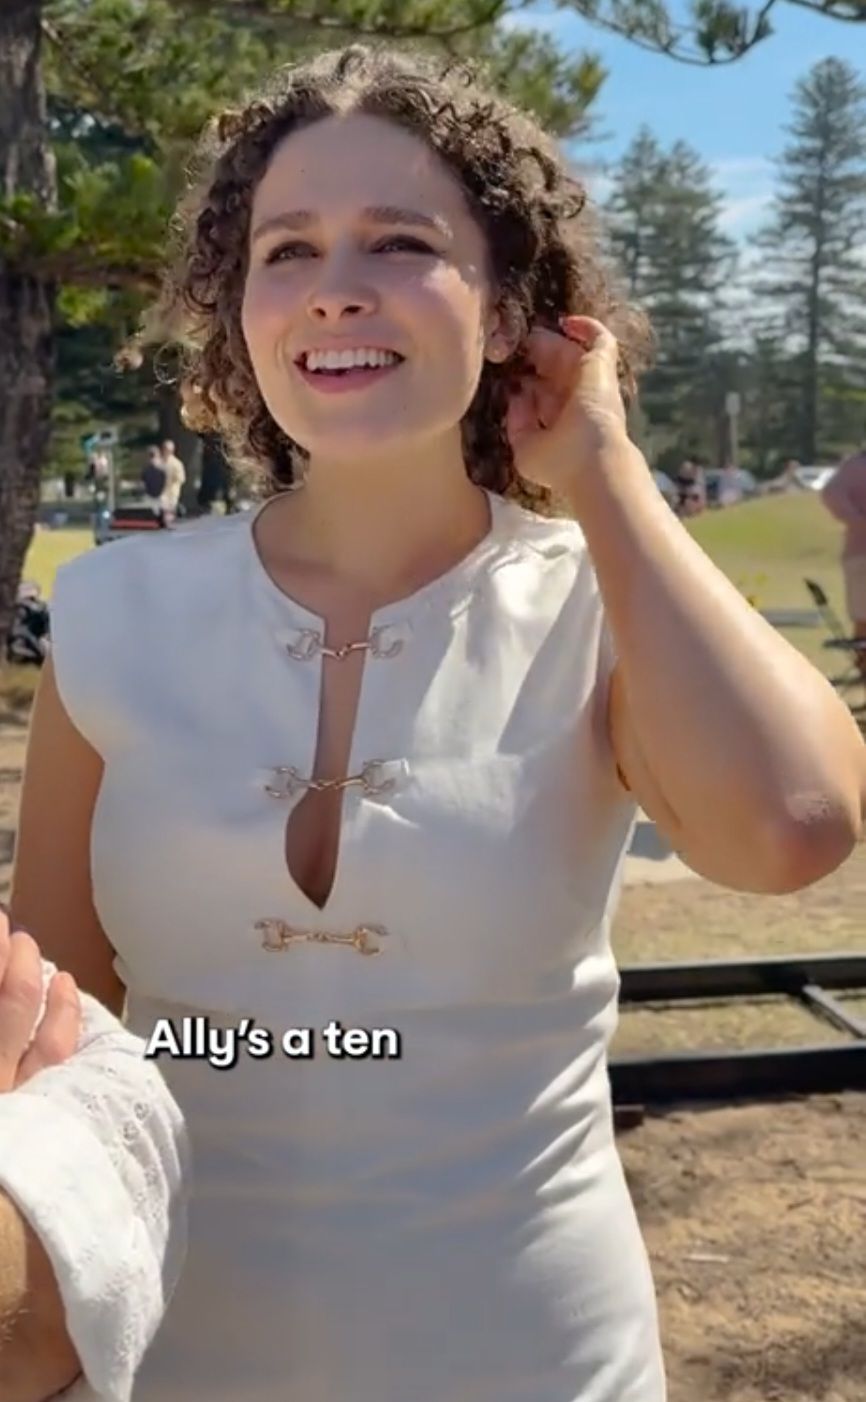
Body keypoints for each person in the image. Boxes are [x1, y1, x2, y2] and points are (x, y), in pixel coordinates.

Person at [7, 43, 865, 1402]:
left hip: (534, 1354)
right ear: (237, 305)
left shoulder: (607, 600)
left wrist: (603, 471)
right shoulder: (112, 611)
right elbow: (52, 1021)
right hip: (173, 1352)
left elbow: (789, 829)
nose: (335, 284)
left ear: (509, 300)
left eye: (400, 242)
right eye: (287, 249)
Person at [821, 447, 866, 676]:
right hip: (862, 553)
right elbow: (831, 493)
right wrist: (858, 520)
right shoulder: (856, 466)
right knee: (863, 615)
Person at [158, 439, 187, 518]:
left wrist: (175, 480)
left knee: (168, 510)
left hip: (172, 492)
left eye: (168, 450)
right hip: (160, 492)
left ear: (172, 451)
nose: (166, 451)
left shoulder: (177, 464)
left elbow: (181, 479)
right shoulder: (158, 462)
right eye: (165, 449)